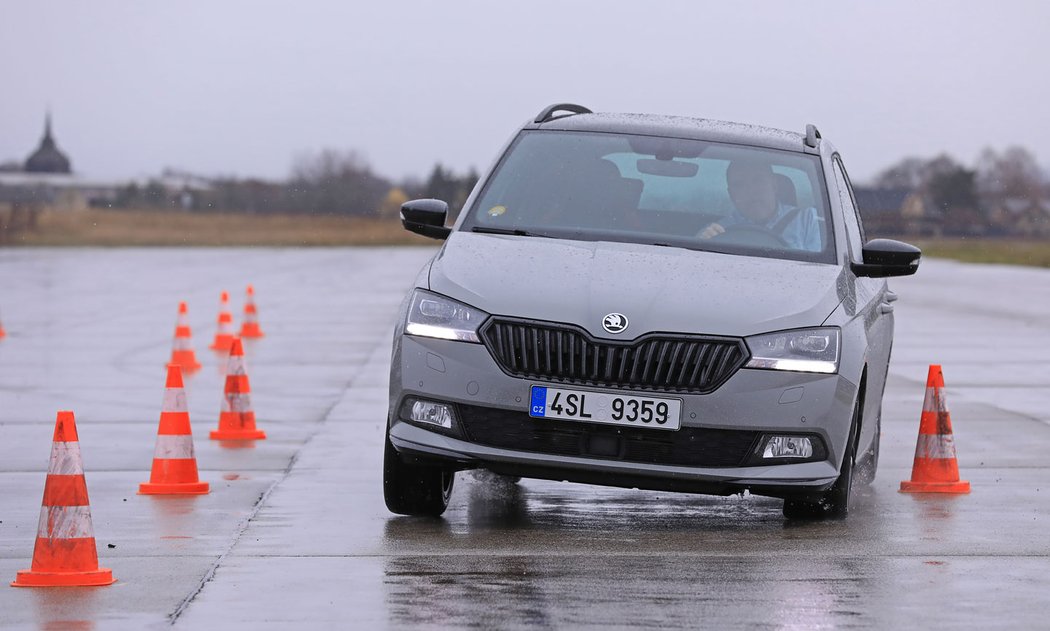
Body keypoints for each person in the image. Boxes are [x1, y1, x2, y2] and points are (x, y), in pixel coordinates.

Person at [698, 159, 822, 251]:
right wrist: (701, 245)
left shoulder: (809, 220)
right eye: (739, 185)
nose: (750, 191)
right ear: (731, 194)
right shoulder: (719, 231)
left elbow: (820, 272)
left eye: (758, 180)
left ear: (774, 185)